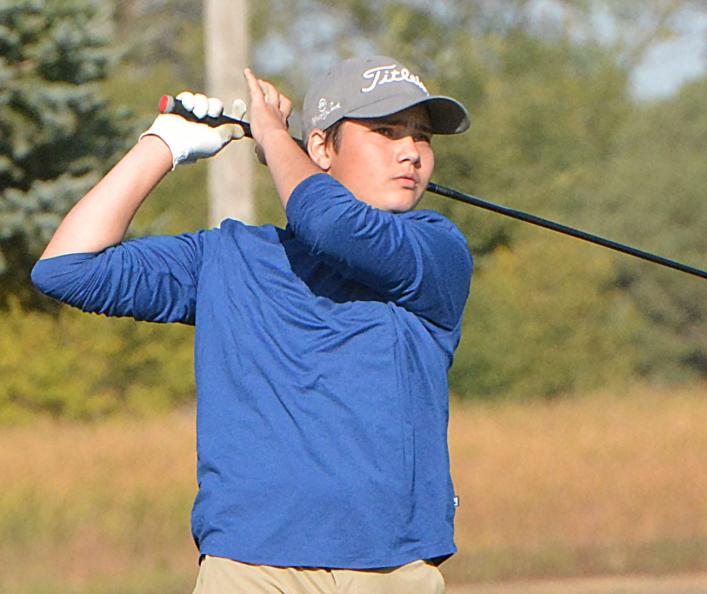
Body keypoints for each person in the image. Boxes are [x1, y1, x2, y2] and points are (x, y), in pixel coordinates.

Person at [31, 55, 473, 593]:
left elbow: (331, 226)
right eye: (386, 131)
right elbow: (67, 268)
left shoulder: (435, 249)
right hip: (249, 566)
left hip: (390, 567)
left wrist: (270, 135)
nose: (410, 152)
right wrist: (161, 146)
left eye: (422, 138)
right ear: (321, 148)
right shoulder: (230, 256)